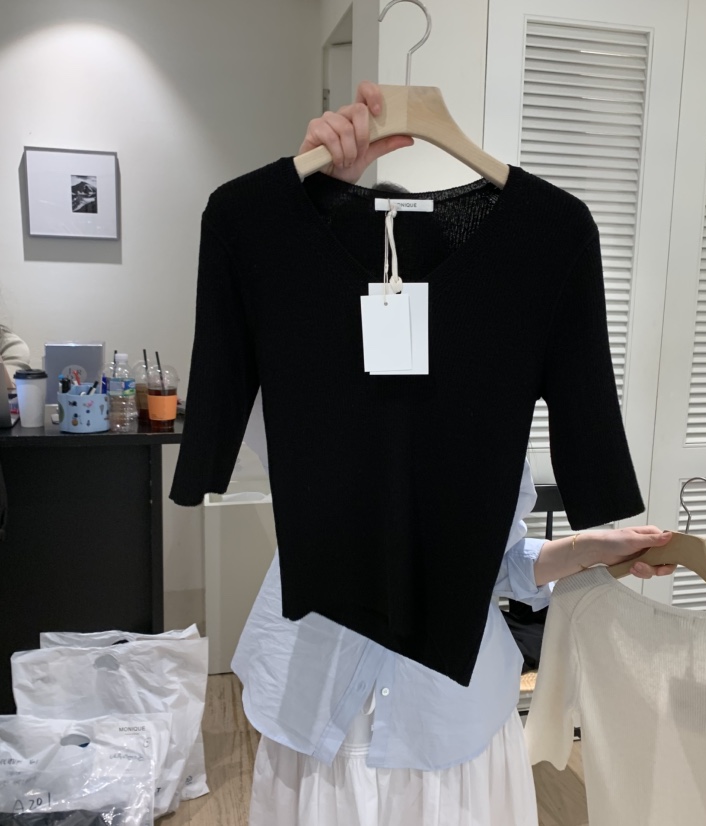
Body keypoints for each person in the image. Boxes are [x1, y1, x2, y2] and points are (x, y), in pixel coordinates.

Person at [233, 81, 676, 826]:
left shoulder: (485, 399)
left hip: (447, 719)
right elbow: (250, 404)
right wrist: (307, 205)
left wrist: (588, 549)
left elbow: (491, 565)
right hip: (318, 706)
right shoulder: (302, 378)